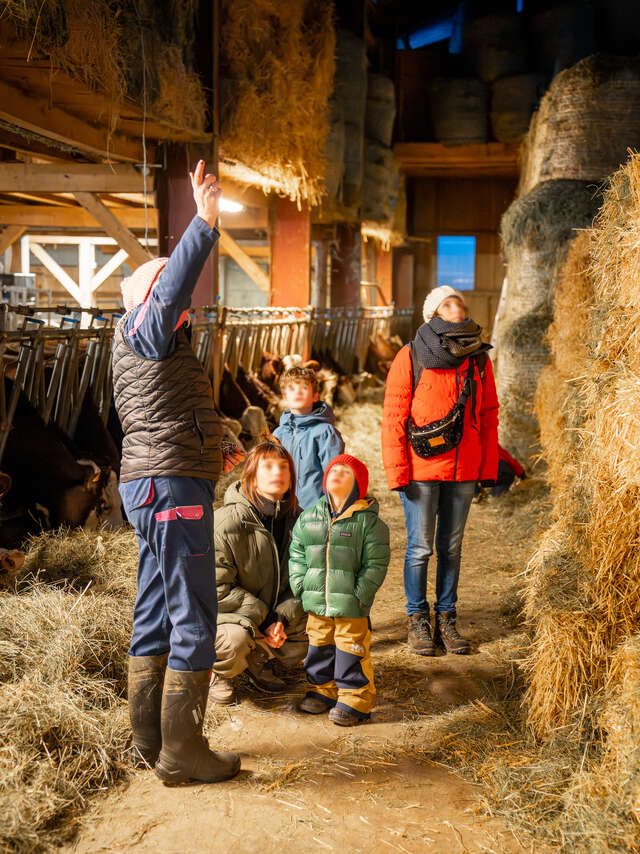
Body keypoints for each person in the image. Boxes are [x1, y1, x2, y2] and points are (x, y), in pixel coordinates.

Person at [112, 161, 240, 785]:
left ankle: (149, 735)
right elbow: (169, 292)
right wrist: (204, 223)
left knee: (157, 602)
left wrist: (221, 444)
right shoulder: (148, 328)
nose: (183, 304)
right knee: (194, 609)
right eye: (171, 294)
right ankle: (182, 749)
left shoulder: (147, 343)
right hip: (168, 485)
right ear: (151, 298)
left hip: (152, 481)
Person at [381, 285, 498, 657]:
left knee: (452, 547)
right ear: (433, 314)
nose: (457, 305)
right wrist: (397, 472)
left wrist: (487, 469)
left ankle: (446, 616)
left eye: (460, 301)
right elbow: (394, 416)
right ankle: (417, 619)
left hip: (463, 468)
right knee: (419, 548)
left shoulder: (478, 359)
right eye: (447, 302)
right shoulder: (411, 354)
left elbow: (489, 414)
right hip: (420, 468)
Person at [289, 454, 390, 726]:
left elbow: (376, 563)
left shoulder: (369, 523)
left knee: (350, 649)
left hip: (350, 602)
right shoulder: (309, 518)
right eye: (334, 470)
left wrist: (361, 593)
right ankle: (321, 690)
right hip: (316, 601)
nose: (338, 474)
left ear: (359, 484)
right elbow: (296, 553)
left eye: (346, 472)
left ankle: (355, 699)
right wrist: (300, 583)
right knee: (319, 644)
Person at [210, 436, 308, 705]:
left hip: (271, 615)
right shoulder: (225, 523)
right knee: (234, 640)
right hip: (228, 617)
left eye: (283, 466)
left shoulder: (299, 522)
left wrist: (281, 618)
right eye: (267, 467)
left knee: (322, 619)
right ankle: (222, 673)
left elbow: (305, 581)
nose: (277, 472)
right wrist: (265, 620)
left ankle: (259, 660)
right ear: (250, 478)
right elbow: (216, 589)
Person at [273, 366, 344, 509]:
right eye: (292, 389)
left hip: (313, 511)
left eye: (304, 388)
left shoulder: (324, 432)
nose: (298, 392)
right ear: (285, 397)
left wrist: (330, 508)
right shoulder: (278, 434)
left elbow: (334, 474)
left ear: (315, 396)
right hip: (282, 509)